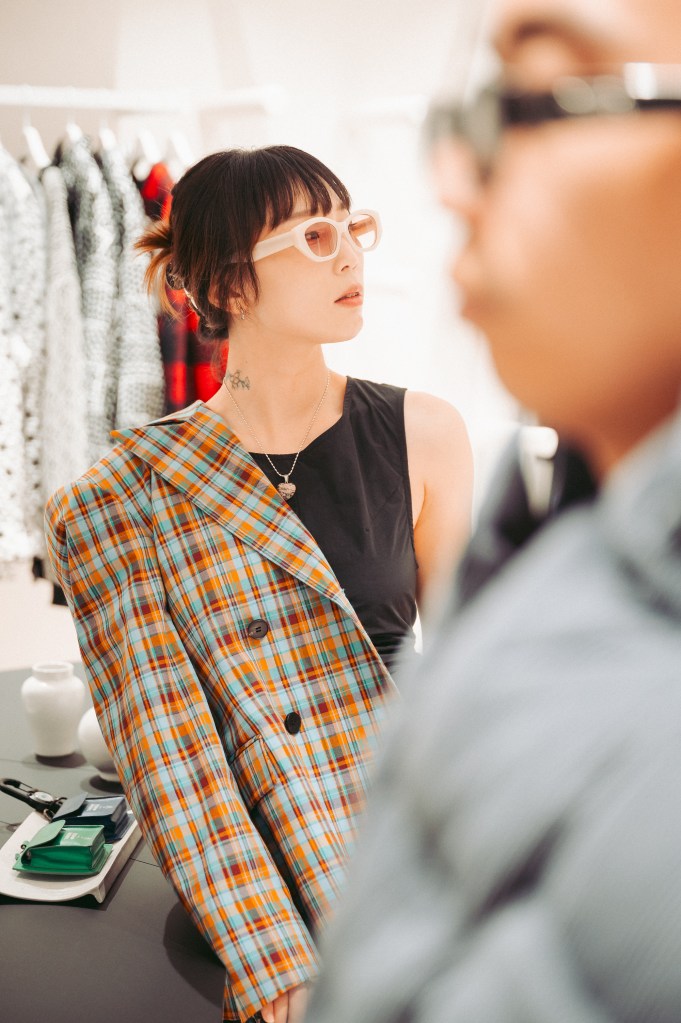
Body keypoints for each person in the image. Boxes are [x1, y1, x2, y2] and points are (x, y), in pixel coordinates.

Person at [304, 1, 681, 1021]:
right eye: (310, 237)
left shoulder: (423, 433)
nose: (451, 178)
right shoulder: (557, 511)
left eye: (536, 96)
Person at [44, 144, 472, 1023]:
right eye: (315, 236)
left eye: (354, 226)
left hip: (411, 836)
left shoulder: (423, 432)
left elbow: (467, 682)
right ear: (231, 285)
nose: (351, 253)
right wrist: (276, 965)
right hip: (258, 879)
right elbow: (174, 758)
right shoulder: (120, 496)